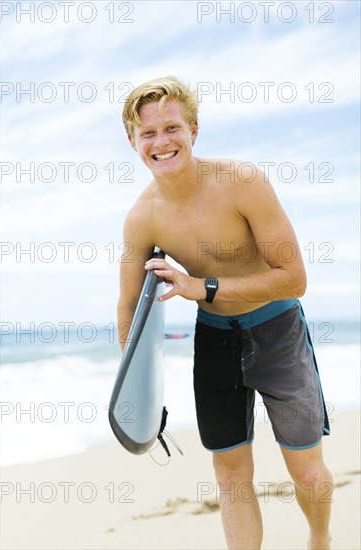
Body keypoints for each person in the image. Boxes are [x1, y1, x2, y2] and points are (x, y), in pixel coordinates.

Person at [117, 75, 333, 550]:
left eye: (171, 127)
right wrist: (134, 386)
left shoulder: (243, 182)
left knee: (307, 469)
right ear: (132, 140)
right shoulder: (142, 217)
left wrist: (202, 287)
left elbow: (294, 278)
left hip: (278, 331)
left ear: (193, 129)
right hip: (214, 341)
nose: (161, 142)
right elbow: (129, 307)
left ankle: (320, 538)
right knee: (231, 474)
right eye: (147, 133)